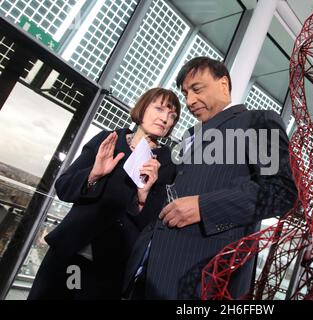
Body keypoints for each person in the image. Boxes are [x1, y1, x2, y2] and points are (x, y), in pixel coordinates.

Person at [123, 57, 297, 299]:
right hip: (147, 269)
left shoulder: (257, 122)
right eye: (185, 93)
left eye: (197, 89)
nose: (190, 101)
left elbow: (281, 192)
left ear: (223, 84)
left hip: (200, 281)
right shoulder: (190, 134)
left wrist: (204, 207)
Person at [28, 87, 181, 299]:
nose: (165, 118)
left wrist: (143, 195)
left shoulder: (166, 164)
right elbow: (63, 187)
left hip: (109, 268)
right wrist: (94, 174)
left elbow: (155, 225)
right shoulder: (109, 140)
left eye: (172, 115)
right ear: (143, 108)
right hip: (67, 251)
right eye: (159, 109)